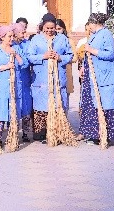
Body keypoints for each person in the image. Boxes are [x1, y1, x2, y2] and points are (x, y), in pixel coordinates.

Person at [26, 13, 73, 142]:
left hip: (57, 78)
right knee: (42, 106)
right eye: (47, 28)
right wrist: (43, 56)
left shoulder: (62, 39)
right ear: (42, 27)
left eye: (52, 28)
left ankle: (58, 133)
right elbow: (29, 56)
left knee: (58, 104)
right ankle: (41, 134)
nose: (50, 30)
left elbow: (70, 55)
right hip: (41, 79)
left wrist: (60, 57)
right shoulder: (36, 39)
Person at [78, 13, 114, 145]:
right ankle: (94, 134)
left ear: (94, 23)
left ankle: (105, 134)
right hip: (92, 74)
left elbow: (109, 54)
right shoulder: (94, 35)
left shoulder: (106, 34)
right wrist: (83, 67)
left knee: (104, 104)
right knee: (93, 104)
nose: (89, 27)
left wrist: (92, 50)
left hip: (103, 76)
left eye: (89, 24)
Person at [0, 25, 24, 147]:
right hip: (0, 88)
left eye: (13, 36)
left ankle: (12, 138)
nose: (12, 38)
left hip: (13, 87)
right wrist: (5, 67)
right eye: (9, 36)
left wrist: (16, 55)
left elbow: (24, 64)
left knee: (13, 113)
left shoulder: (16, 48)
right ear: (2, 37)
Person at [14, 18, 34, 141]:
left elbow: (27, 61)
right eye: (21, 30)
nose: (24, 32)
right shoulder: (9, 43)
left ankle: (26, 133)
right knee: (14, 105)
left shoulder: (27, 44)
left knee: (26, 105)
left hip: (25, 79)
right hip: (13, 80)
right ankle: (14, 132)